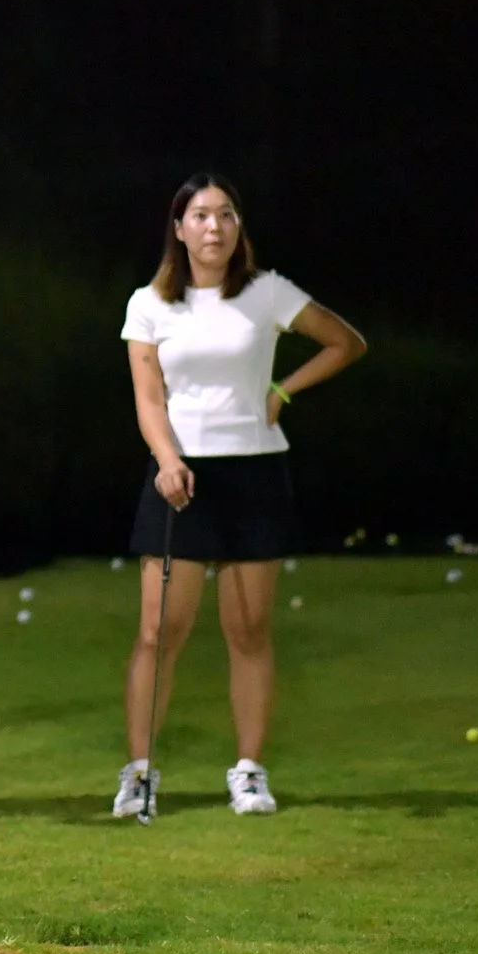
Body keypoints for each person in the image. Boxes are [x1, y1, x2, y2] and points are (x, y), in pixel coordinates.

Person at [114, 172, 365, 818]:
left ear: (238, 227)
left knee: (249, 629)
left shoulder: (267, 292)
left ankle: (249, 770)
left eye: (226, 214)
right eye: (201, 215)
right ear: (178, 227)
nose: (215, 227)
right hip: (180, 476)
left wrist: (282, 391)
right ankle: (139, 772)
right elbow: (148, 398)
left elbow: (346, 341)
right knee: (158, 630)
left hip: (255, 473)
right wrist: (167, 458)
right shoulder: (149, 303)